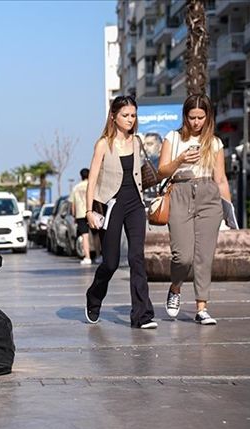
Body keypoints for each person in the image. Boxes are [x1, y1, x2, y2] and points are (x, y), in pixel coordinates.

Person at [156, 94, 232, 325]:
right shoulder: (173, 138)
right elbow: (161, 171)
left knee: (204, 256)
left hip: (209, 195)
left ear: (208, 117)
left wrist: (229, 212)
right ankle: (176, 288)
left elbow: (220, 179)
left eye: (201, 117)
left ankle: (202, 307)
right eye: (192, 117)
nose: (196, 122)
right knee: (183, 256)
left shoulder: (215, 143)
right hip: (180, 192)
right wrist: (180, 160)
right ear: (185, 116)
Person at [84, 95, 157, 330]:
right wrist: (88, 210)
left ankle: (142, 315)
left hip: (135, 204)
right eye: (125, 115)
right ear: (114, 117)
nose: (130, 119)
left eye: (133, 115)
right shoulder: (103, 144)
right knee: (111, 262)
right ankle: (94, 298)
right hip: (111, 205)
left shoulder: (137, 142)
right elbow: (92, 180)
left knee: (137, 258)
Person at [70, 168, 93, 265]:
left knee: (84, 236)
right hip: (92, 212)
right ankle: (99, 255)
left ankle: (87, 257)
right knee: (96, 235)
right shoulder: (92, 185)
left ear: (81, 176)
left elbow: (73, 204)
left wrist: (74, 215)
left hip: (80, 214)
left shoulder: (76, 188)